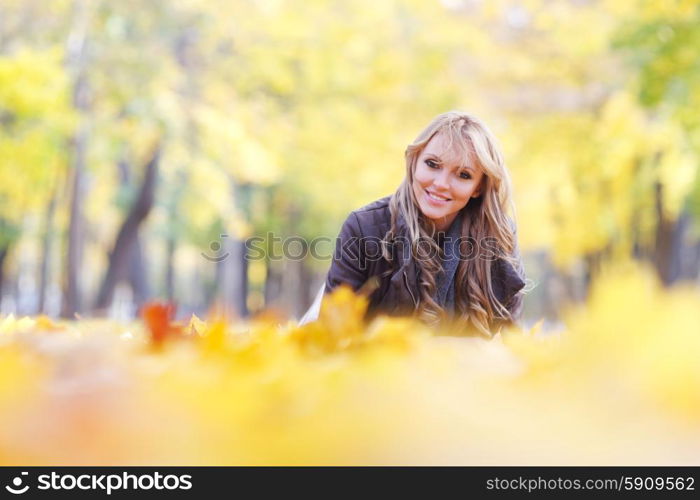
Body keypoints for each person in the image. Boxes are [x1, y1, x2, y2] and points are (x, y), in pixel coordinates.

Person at [304, 111, 526, 337]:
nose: (441, 184)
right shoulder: (363, 227)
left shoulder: (498, 235)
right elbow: (332, 334)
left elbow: (511, 337)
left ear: (478, 187)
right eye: (432, 164)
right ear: (414, 162)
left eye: (463, 175)